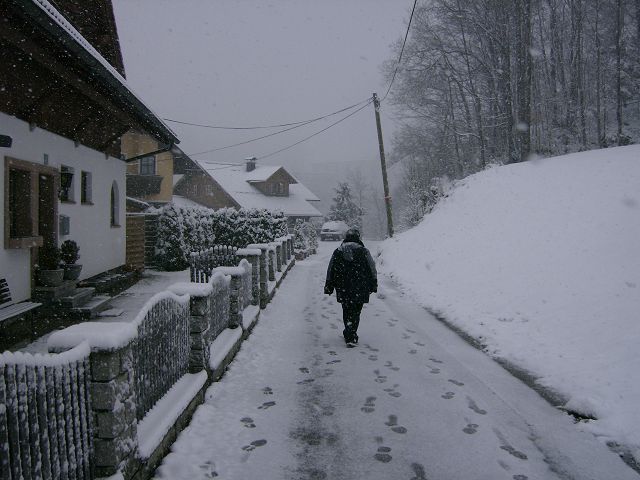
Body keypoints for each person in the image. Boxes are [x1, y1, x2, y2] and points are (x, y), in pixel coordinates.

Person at [324, 228, 377, 347]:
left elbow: (331, 269)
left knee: (346, 309)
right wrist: (373, 283)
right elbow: (372, 268)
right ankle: (352, 333)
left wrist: (329, 285)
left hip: (343, 287)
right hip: (360, 286)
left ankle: (348, 332)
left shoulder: (338, 251)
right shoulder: (364, 251)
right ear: (358, 237)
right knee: (356, 311)